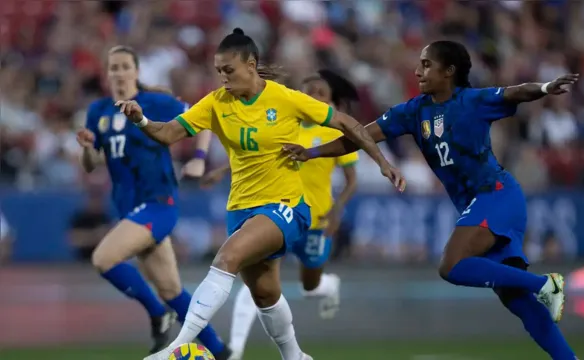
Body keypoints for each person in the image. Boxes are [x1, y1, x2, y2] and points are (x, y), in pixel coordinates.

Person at [115, 28, 403, 360]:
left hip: (286, 207)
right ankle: (296, 356)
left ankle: (175, 348)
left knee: (226, 259)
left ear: (251, 64)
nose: (222, 78)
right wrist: (141, 120)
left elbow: (346, 123)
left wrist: (382, 162)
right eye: (218, 71)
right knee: (265, 295)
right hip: (240, 209)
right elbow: (168, 133)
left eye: (229, 70)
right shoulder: (215, 103)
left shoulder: (285, 98)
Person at [283, 40, 580, 360]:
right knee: (517, 300)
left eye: (426, 65)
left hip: (497, 196)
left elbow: (515, 92)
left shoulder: (473, 100)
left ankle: (545, 284)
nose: (417, 70)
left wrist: (547, 87)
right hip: (481, 203)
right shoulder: (413, 111)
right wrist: (311, 152)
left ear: (449, 71)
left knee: (451, 265)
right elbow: (359, 136)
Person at [76, 45, 231, 359]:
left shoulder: (155, 102)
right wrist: (88, 148)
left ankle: (157, 315)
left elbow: (203, 119)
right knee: (172, 290)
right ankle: (222, 352)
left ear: (136, 71)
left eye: (124, 66)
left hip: (158, 202)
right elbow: (93, 163)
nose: (118, 73)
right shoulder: (99, 112)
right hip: (128, 208)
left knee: (103, 259)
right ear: (107, 74)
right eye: (113, 67)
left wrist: (199, 159)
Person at [197, 69, 360, 359]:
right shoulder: (286, 121)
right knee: (256, 281)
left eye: (319, 93)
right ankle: (235, 349)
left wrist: (337, 212)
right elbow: (256, 156)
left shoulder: (332, 131)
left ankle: (328, 285)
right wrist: (222, 171)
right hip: (278, 210)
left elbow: (351, 181)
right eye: (308, 91)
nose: (312, 96)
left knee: (310, 286)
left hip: (316, 221)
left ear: (329, 100)